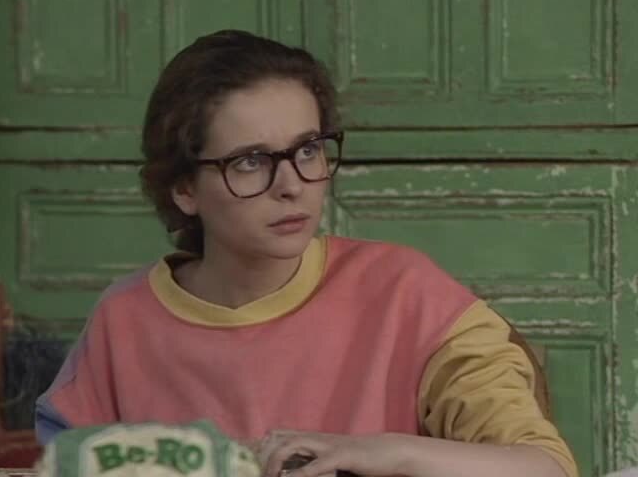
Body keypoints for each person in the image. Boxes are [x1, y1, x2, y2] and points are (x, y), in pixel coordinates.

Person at [35, 30, 578, 477]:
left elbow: (544, 468)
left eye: (308, 150)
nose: (292, 185)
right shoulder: (124, 320)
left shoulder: (403, 292)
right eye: (250, 161)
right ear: (184, 188)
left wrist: (382, 453)